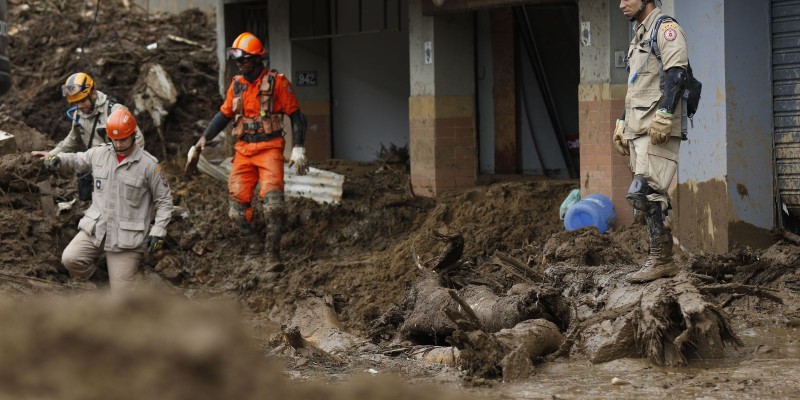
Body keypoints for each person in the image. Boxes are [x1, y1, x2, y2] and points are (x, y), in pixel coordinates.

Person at [194, 32, 308, 272]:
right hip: (244, 150)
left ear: (257, 59)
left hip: (270, 148)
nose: (240, 64)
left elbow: (296, 115)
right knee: (236, 211)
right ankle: (254, 243)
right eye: (237, 59)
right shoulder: (237, 85)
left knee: (274, 205)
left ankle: (272, 253)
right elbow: (224, 115)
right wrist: (204, 138)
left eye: (244, 59)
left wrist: (298, 146)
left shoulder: (277, 82)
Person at [43, 108, 173, 294]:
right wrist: (57, 158)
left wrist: (158, 231)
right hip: (98, 228)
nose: (118, 144)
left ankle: (122, 285)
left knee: (123, 297)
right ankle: (103, 284)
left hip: (126, 238)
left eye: (123, 139)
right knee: (70, 259)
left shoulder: (149, 165)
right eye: (114, 139)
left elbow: (165, 201)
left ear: (133, 135)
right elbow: (76, 159)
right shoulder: (99, 154)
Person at [614, 0, 688, 283]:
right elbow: (637, 84)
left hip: (658, 128)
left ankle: (661, 259)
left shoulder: (665, 28)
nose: (621, 4)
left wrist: (666, 114)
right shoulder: (639, 35)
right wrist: (622, 121)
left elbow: (677, 73)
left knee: (646, 190)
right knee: (645, 197)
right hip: (639, 127)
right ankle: (661, 259)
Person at [32, 72, 145, 158]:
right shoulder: (78, 115)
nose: (79, 106)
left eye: (82, 101)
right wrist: (51, 154)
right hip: (94, 168)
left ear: (93, 94)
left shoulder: (115, 111)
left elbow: (138, 139)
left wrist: (123, 163)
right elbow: (72, 140)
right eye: (76, 102)